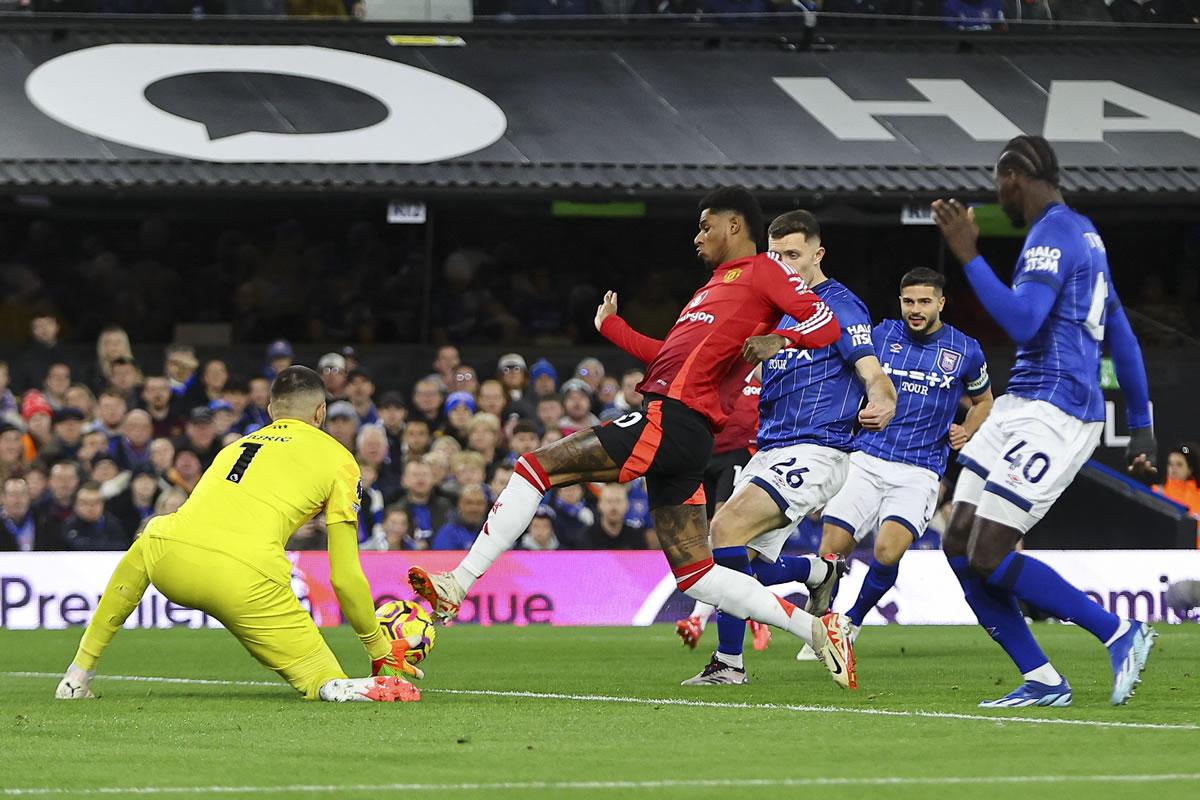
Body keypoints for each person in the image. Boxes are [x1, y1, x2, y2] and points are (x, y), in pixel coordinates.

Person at [408, 186, 855, 688]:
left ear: (734, 225)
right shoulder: (713, 287)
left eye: (705, 225)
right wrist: (614, 328)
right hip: (683, 433)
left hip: (673, 421)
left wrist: (781, 338)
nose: (697, 236)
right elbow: (668, 356)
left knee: (535, 467)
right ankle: (818, 630)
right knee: (697, 575)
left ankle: (458, 582)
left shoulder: (765, 271)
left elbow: (825, 325)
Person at [931, 135, 1157, 707]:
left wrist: (967, 254)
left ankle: (1118, 632)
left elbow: (1025, 322)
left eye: (997, 183)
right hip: (1019, 405)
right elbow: (1121, 331)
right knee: (957, 542)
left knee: (988, 553)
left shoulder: (1051, 234)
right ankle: (1043, 678)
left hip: (1056, 410)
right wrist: (1142, 421)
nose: (996, 195)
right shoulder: (1085, 233)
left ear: (1012, 177)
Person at [54, 366, 421, 704]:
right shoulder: (339, 459)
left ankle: (77, 674)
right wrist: (378, 647)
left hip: (171, 559)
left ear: (270, 409)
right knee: (322, 679)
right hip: (246, 580)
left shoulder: (237, 446)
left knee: (153, 534)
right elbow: (343, 576)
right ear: (320, 412)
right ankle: (337, 685)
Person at [675, 209, 896, 687]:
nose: (785, 266)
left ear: (818, 254)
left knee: (726, 528)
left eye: (794, 255)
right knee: (735, 569)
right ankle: (815, 571)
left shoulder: (839, 306)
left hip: (818, 449)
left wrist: (883, 400)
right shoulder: (771, 307)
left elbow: (873, 371)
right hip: (771, 448)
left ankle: (731, 664)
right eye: (776, 256)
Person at [796, 268, 993, 660]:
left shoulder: (965, 350)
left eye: (923, 302)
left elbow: (985, 401)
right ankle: (816, 627)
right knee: (831, 552)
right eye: (908, 302)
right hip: (867, 458)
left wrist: (967, 429)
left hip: (919, 469)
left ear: (940, 303)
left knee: (887, 552)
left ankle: (849, 622)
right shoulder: (880, 336)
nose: (914, 310)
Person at [59, 482, 129, 551]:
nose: (90, 507)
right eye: (84, 503)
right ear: (76, 505)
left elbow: (123, 545)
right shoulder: (69, 525)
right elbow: (76, 545)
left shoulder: (113, 523)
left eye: (96, 502)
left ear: (103, 504)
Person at [1153, 443, 1200, 542]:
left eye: (1179, 464)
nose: (1173, 468)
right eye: (1170, 464)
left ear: (1190, 469)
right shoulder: (1156, 493)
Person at [581, 484, 647, 549]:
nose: (614, 507)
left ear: (627, 505)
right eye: (609, 501)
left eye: (618, 501)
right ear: (599, 505)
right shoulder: (587, 537)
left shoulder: (636, 537)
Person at [431, 484, 488, 550]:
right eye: (469, 503)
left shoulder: (492, 532)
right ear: (460, 504)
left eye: (479, 503)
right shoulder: (448, 534)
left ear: (485, 506)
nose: (474, 508)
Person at [0, 477, 37, 552]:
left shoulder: (41, 520)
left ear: (29, 497)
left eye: (22, 494)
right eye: (12, 494)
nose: (18, 499)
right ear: (3, 498)